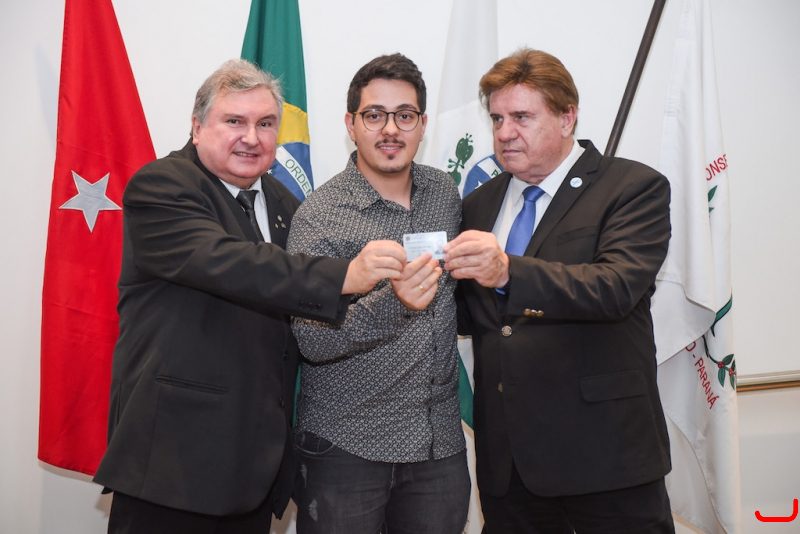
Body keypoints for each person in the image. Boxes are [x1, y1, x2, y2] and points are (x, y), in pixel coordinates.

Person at [92, 59, 407, 533]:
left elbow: (299, 312)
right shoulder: (161, 185)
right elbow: (233, 264)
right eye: (234, 121)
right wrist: (347, 274)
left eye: (265, 124)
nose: (252, 138)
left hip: (255, 468)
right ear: (197, 127)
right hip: (174, 464)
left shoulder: (286, 204)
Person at [444, 48, 674, 533]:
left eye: (522, 117)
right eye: (498, 119)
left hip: (606, 458)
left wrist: (508, 271)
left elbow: (615, 288)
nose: (505, 133)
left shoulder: (631, 188)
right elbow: (476, 315)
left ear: (567, 117)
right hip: (509, 466)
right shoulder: (479, 204)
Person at [287, 53, 470, 534]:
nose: (390, 129)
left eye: (404, 115)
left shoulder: (444, 194)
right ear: (351, 124)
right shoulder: (319, 216)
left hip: (439, 447)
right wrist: (395, 303)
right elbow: (312, 341)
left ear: (422, 124)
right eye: (374, 115)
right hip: (346, 448)